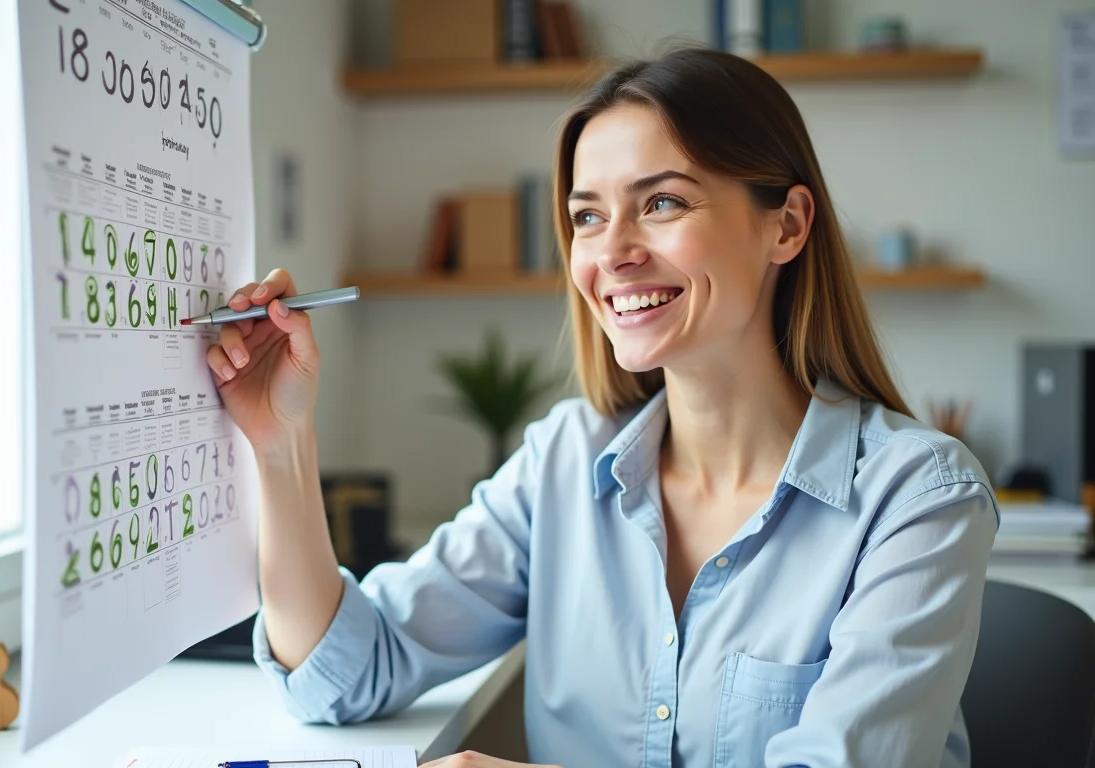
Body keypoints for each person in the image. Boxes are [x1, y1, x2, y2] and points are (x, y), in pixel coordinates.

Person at [204, 46, 999, 768]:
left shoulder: (918, 497)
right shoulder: (565, 460)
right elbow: (343, 674)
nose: (613, 251)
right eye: (588, 216)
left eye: (662, 204)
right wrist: (281, 442)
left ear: (785, 226)